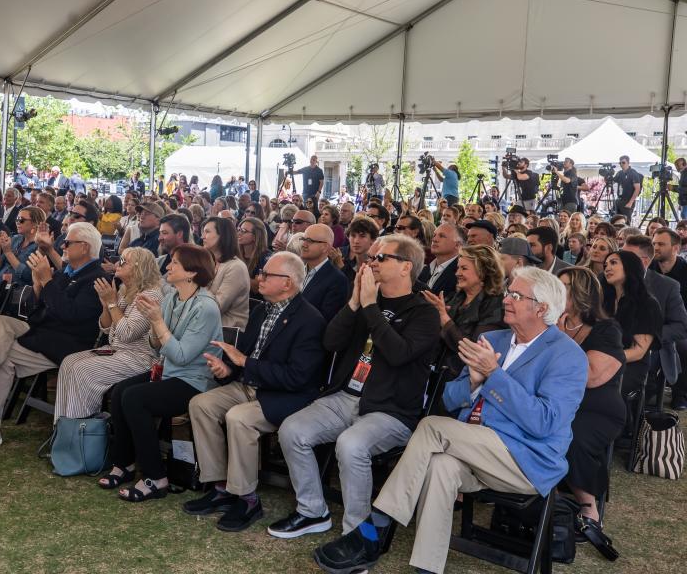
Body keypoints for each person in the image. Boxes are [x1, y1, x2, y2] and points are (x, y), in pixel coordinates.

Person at [314, 267, 587, 574]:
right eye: (508, 292)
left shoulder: (567, 356)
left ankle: (374, 529)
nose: (506, 300)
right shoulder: (492, 339)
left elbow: (544, 423)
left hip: (525, 459)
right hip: (472, 447)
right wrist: (472, 382)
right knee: (440, 466)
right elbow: (449, 399)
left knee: (431, 427)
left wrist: (494, 376)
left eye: (516, 295)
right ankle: (427, 569)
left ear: (542, 308)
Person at [270, 234, 440, 540]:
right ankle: (312, 511)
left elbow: (399, 354)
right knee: (292, 429)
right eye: (372, 258)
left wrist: (370, 307)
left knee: (351, 445)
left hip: (390, 409)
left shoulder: (423, 311)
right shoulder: (363, 300)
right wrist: (353, 303)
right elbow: (330, 342)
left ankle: (358, 534)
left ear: (406, 267)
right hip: (345, 396)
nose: (371, 263)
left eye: (381, 258)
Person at [0, 222, 107, 450]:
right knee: (1, 322)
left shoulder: (97, 278)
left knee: (1, 357)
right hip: (43, 332)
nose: (62, 246)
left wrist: (46, 281)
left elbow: (70, 316)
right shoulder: (69, 272)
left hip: (65, 344)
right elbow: (40, 309)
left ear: (84, 247)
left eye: (66, 242)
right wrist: (37, 286)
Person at [184, 251, 326, 531]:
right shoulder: (263, 308)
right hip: (251, 384)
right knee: (200, 404)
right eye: (261, 272)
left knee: (239, 418)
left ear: (287, 283)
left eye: (267, 274)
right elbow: (245, 353)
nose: (259, 278)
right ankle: (221, 486)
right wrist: (228, 369)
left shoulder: (309, 320)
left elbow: (297, 378)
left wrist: (244, 363)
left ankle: (247, 498)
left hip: (284, 396)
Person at [99, 244, 223, 501]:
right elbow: (156, 345)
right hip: (169, 372)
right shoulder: (172, 298)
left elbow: (181, 355)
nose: (168, 266)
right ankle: (124, 463)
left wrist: (156, 321)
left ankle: (156, 477)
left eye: (175, 263)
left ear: (191, 273)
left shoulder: (206, 307)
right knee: (122, 390)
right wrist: (155, 325)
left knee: (135, 398)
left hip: (194, 380)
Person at [53, 247, 164, 420]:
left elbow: (127, 333)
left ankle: (83, 433)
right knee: (68, 362)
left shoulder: (150, 295)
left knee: (82, 370)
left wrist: (112, 303)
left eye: (123, 261)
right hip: (116, 351)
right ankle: (63, 428)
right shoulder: (124, 290)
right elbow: (106, 328)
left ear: (139, 267)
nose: (117, 263)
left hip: (139, 358)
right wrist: (106, 306)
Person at [556, 266, 626, 534]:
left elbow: (591, 377)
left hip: (596, 407)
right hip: (562, 400)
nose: (557, 292)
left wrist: (559, 341)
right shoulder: (553, 322)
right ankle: (550, 498)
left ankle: (588, 507)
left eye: (564, 287)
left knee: (571, 436)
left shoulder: (606, 329)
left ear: (581, 294)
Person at [622, 234, 687, 407]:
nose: (618, 261)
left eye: (625, 258)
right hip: (613, 344)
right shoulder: (606, 280)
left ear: (643, 262)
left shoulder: (667, 286)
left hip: (652, 348)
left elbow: (681, 326)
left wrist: (650, 336)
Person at [422, 245, 506, 377]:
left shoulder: (496, 306)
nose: (457, 273)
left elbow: (475, 350)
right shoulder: (456, 297)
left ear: (483, 272)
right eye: (458, 268)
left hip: (463, 380)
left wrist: (445, 319)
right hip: (435, 373)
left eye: (464, 268)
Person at [601, 250, 661, 397]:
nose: (607, 268)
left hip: (630, 364)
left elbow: (638, 351)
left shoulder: (647, 303)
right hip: (601, 358)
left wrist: (604, 358)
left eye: (613, 263)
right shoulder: (604, 300)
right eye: (605, 265)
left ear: (629, 267)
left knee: (597, 389)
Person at [652, 227, 687, 409]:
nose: (655, 247)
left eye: (661, 244)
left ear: (675, 248)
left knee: (682, 346)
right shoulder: (649, 268)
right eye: (654, 243)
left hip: (680, 325)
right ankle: (648, 388)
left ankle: (681, 393)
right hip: (652, 324)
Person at [201, 217, 250, 330]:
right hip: (206, 325)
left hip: (226, 330)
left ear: (222, 236)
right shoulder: (209, 262)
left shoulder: (236, 267)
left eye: (207, 232)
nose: (202, 236)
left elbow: (216, 307)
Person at [298, 223, 349, 322]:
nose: (304, 244)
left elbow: (324, 320)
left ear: (325, 247)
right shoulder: (296, 270)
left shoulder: (337, 280)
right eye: (303, 239)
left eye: (310, 241)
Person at [0, 206, 44, 286]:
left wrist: (8, 253)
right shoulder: (15, 239)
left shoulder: (40, 246)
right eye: (17, 219)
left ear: (34, 223)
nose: (17, 222)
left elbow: (28, 276)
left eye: (21, 220)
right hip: (0, 286)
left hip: (18, 292)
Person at [419, 222, 464, 298]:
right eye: (434, 235)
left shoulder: (460, 273)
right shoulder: (425, 269)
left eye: (442, 236)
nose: (434, 239)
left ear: (457, 245)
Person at [236, 216, 270, 298]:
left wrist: (234, 274)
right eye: (239, 230)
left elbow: (256, 287)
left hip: (255, 303)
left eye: (244, 231)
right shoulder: (235, 254)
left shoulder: (266, 258)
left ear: (256, 236)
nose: (239, 233)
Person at [339, 218, 379, 286]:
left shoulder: (377, 266)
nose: (356, 241)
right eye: (353, 236)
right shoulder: (348, 262)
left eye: (362, 236)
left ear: (373, 240)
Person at [613, 155, 643, 222]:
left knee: (626, 221)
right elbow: (612, 182)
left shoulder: (633, 173)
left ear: (628, 163)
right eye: (620, 163)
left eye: (623, 162)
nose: (621, 164)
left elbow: (637, 188)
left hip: (627, 201)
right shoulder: (620, 173)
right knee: (616, 220)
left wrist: (630, 202)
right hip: (619, 200)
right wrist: (607, 176)